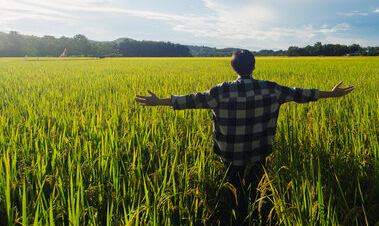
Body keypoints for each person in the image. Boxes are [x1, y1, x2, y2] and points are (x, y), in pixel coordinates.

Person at [134, 49, 354, 224]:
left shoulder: (221, 91)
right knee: (259, 189)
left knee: (235, 191)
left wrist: (158, 101)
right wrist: (332, 94)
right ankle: (259, 216)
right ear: (254, 66)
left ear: (233, 68)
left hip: (230, 155)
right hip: (259, 153)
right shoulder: (271, 89)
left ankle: (237, 217)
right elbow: (301, 94)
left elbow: (191, 100)